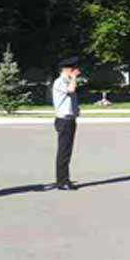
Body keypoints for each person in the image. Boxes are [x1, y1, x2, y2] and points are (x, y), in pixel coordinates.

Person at [53, 56, 81, 191]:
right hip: (64, 120)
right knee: (63, 152)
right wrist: (74, 78)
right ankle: (62, 181)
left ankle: (64, 179)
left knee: (67, 151)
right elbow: (71, 90)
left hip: (70, 120)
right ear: (68, 69)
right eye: (74, 69)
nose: (77, 71)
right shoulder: (60, 82)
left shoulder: (67, 80)